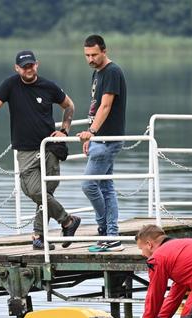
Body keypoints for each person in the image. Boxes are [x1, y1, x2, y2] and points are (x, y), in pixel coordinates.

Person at [0, 49, 81, 250]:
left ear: (36, 65)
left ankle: (38, 237)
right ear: (17, 68)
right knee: (33, 190)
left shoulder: (48, 86)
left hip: (49, 147)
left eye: (31, 65)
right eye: (24, 67)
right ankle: (67, 221)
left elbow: (70, 105)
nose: (28, 69)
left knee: (45, 193)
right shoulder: (10, 85)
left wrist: (64, 131)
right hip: (26, 150)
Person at [77, 34, 127, 252]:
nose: (90, 59)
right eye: (87, 55)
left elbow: (106, 106)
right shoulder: (98, 73)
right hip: (100, 139)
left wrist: (92, 131)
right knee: (106, 187)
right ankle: (111, 235)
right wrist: (92, 136)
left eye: (94, 54)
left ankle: (105, 229)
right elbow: (95, 106)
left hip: (108, 139)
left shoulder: (112, 72)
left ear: (104, 51)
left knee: (89, 184)